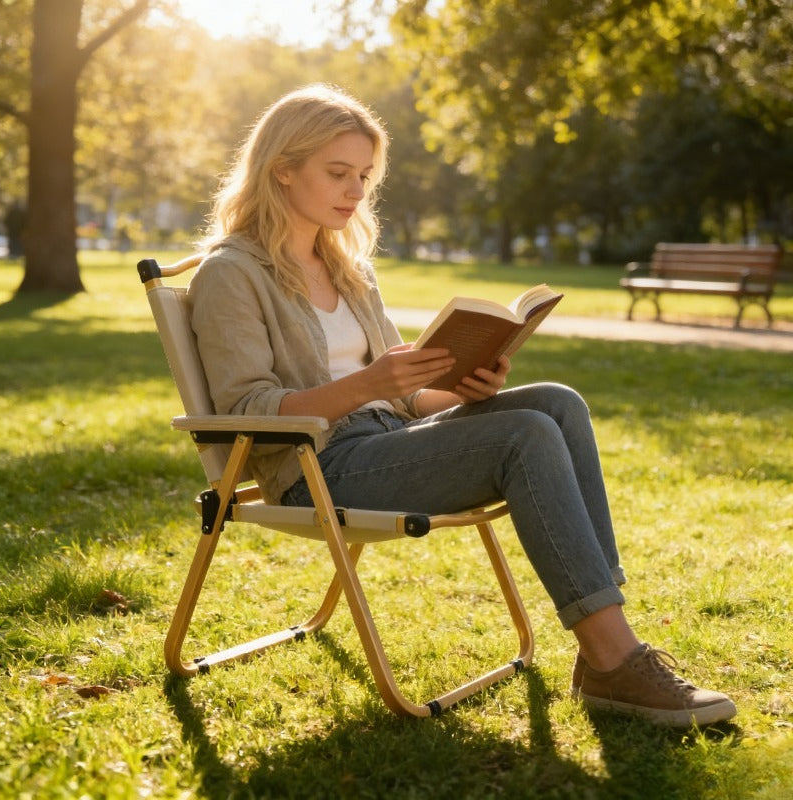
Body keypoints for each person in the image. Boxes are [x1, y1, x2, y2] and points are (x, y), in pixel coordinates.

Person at [188, 84, 736, 728]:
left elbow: (407, 396)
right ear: (282, 168)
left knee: (555, 403)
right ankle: (614, 659)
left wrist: (462, 387)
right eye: (337, 174)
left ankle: (605, 640)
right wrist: (366, 386)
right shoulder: (231, 272)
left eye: (364, 176)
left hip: (386, 438)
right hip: (315, 470)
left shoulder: (345, 267)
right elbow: (248, 408)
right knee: (524, 436)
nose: (355, 191)